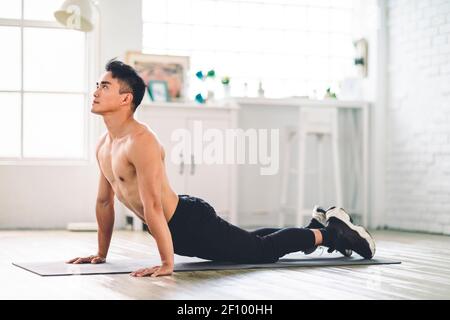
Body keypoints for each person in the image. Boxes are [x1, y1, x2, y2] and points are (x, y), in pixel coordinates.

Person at [67, 59, 376, 277]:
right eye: (97, 85)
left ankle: (330, 234)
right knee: (250, 243)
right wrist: (101, 254)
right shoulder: (104, 145)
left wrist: (166, 262)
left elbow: (152, 206)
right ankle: (315, 229)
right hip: (177, 228)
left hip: (189, 224)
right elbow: (104, 202)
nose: (96, 91)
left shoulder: (141, 141)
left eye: (104, 86)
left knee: (261, 252)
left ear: (125, 98)